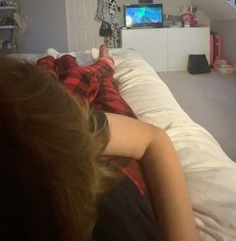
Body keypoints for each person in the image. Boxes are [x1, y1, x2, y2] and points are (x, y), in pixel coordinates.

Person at [0, 47, 199, 241]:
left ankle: (59, 62)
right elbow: (152, 139)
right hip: (108, 164)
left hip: (60, 131)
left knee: (56, 85)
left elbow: (152, 138)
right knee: (98, 83)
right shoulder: (119, 225)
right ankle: (102, 64)